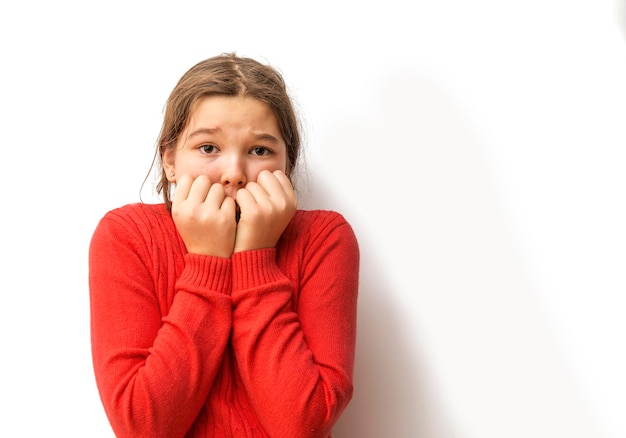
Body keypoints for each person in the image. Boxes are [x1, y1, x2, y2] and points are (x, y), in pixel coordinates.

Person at [88, 52, 360, 438]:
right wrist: (206, 261)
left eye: (260, 151)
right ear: (169, 159)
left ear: (287, 163)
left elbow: (303, 424)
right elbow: (143, 427)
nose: (233, 174)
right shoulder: (126, 235)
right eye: (208, 148)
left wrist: (255, 257)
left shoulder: (324, 238)